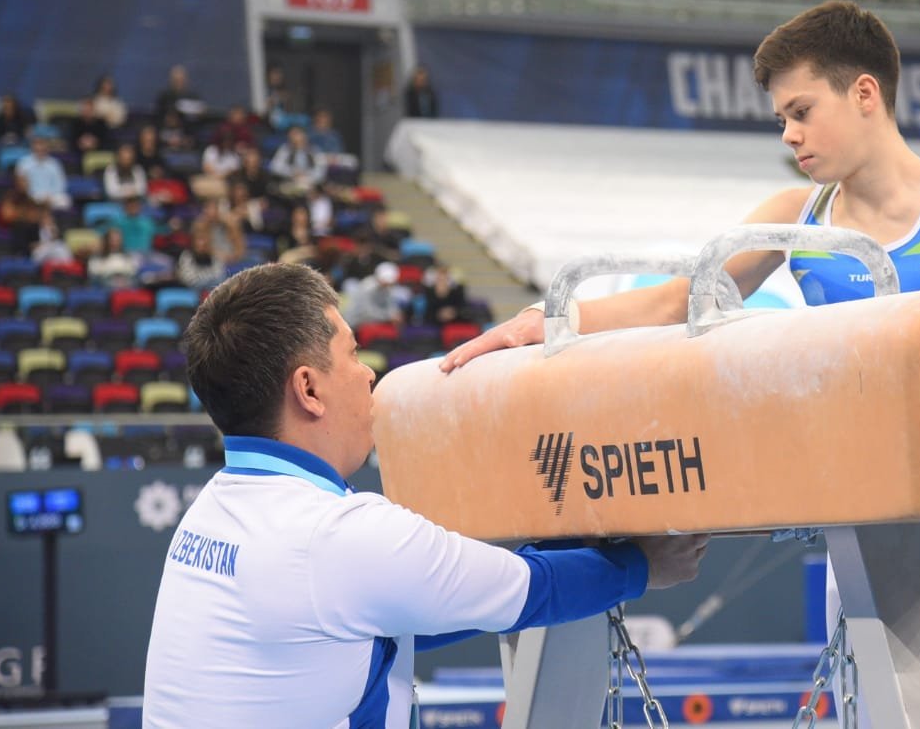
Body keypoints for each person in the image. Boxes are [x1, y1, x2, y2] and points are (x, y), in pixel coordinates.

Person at [440, 0, 920, 729]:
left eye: (802, 111)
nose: (789, 134)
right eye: (782, 118)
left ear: (865, 93)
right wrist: (550, 319)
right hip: (859, 511)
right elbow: (679, 301)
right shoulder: (798, 218)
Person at [141, 263, 707, 725]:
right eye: (352, 354)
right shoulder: (336, 535)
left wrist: (572, 551)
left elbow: (395, 617)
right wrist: (643, 565)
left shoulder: (213, 510)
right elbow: (529, 593)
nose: (368, 375)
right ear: (308, 389)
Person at [14, 137, 70, 210]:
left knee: (65, 201)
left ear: (47, 150)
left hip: (51, 196)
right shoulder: (24, 163)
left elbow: (60, 183)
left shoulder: (55, 163)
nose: (40, 152)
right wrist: (33, 196)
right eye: (37, 150)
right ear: (32, 149)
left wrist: (49, 196)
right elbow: (21, 183)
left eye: (42, 150)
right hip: (32, 196)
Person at [346, 262, 405, 327]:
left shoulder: (386, 288)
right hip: (354, 322)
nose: (388, 285)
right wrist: (389, 316)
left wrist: (395, 314)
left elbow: (391, 305)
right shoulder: (367, 287)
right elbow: (368, 312)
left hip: (369, 322)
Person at [270, 126, 326, 193]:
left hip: (310, 184)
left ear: (304, 135)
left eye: (296, 134)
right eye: (291, 135)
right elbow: (275, 167)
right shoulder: (285, 149)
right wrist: (292, 172)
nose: (294, 137)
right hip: (289, 182)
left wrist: (306, 176)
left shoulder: (315, 150)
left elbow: (321, 171)